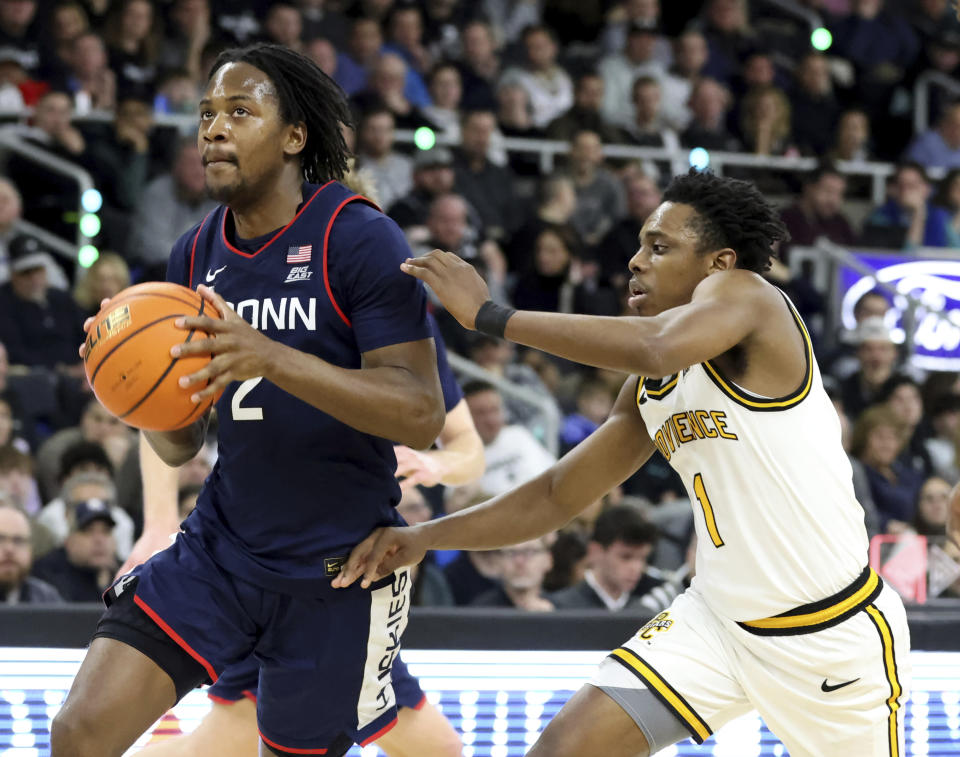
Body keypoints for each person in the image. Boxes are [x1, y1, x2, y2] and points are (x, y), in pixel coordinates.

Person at [336, 169, 911, 757]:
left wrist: (489, 315)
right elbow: (558, 494)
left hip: (829, 633)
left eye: (659, 247)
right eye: (639, 245)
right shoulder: (651, 383)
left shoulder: (751, 298)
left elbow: (656, 341)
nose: (636, 261)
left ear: (720, 263)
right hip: (713, 624)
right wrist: (425, 536)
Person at [53, 42, 446, 757]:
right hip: (221, 552)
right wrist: (124, 386)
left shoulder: (355, 236)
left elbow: (420, 411)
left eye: (240, 110)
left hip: (337, 571)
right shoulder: (196, 254)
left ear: (295, 135)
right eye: (206, 114)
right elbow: (182, 439)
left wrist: (271, 355)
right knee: (79, 733)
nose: (213, 128)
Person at [550, 504, 661, 611]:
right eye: (625, 557)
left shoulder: (647, 609)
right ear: (595, 551)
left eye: (643, 558)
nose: (637, 568)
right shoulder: (559, 607)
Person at [31, 498, 119, 602]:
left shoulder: (129, 573)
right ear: (68, 540)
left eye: (106, 531)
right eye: (88, 531)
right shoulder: (46, 575)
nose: (99, 540)